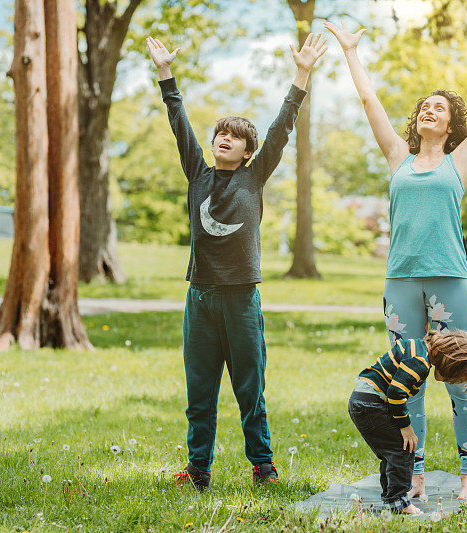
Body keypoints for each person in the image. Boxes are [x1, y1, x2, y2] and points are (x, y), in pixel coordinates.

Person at [324, 13, 467, 500]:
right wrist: (350, 52)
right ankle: (415, 474)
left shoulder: (460, 161)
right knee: (413, 382)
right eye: (424, 106)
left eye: (439, 107)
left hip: (449, 280)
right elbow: (368, 100)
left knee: (461, 383)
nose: (429, 110)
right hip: (400, 280)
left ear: (451, 123)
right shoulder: (396, 157)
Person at [145, 33, 327, 490]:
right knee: (200, 393)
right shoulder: (197, 174)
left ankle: (263, 467)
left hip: (242, 300)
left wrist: (301, 75)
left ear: (247, 151)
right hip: (200, 299)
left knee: (250, 389)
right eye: (220, 135)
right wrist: (166, 73)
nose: (224, 139)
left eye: (235, 137)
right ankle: (198, 469)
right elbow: (179, 121)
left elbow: (283, 126)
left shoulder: (255, 176)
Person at [348, 330, 467, 515]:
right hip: (371, 403)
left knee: (393, 453)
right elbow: (395, 393)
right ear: (449, 360)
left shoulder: (417, 347)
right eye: (454, 375)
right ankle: (398, 502)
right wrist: (406, 427)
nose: (451, 380)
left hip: (365, 401)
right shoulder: (420, 362)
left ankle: (391, 498)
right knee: (403, 450)